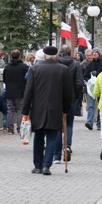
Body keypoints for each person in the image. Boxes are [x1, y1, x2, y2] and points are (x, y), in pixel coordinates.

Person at [22, 46, 73, 175]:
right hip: (55, 108)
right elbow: (68, 93)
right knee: (52, 137)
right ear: (56, 56)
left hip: (38, 108)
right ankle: (46, 165)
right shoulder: (63, 69)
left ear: (44, 56)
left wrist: (25, 111)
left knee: (38, 137)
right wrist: (66, 109)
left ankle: (38, 165)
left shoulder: (34, 69)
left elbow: (28, 92)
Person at [55, 45, 84, 164]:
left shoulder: (56, 63)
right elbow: (79, 82)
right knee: (69, 124)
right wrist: (77, 97)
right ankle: (67, 146)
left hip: (57, 98)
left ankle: (56, 154)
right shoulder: (75, 64)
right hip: (71, 97)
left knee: (57, 125)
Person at [3, 49, 29, 135]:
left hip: (9, 91)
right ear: (19, 56)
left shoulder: (7, 67)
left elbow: (4, 79)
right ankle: (19, 128)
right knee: (20, 110)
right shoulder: (24, 67)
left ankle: (10, 129)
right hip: (21, 91)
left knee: (10, 110)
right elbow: (27, 79)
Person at [83, 48, 102, 130]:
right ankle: (89, 122)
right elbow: (85, 75)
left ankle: (99, 123)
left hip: (101, 88)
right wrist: (89, 81)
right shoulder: (90, 65)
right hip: (91, 88)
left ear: (99, 54)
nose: (94, 54)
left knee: (100, 106)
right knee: (91, 106)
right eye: (93, 53)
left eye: (96, 52)